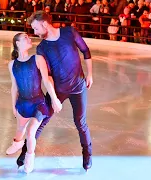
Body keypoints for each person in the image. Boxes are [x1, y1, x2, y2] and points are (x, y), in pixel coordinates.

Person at [16, 10, 93, 171]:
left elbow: (85, 51)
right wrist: (54, 98)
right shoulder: (42, 48)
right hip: (58, 90)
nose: (35, 33)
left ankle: (88, 154)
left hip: (78, 87)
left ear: (44, 24)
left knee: (81, 123)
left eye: (36, 28)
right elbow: (48, 76)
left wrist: (90, 74)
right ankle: (25, 153)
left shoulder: (69, 32)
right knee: (41, 121)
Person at [6, 33, 62, 173]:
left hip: (38, 103)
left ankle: (29, 157)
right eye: (25, 38)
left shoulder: (37, 59)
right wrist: (13, 106)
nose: (29, 39)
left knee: (30, 132)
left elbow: (46, 80)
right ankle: (17, 143)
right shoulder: (12, 64)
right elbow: (14, 87)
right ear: (17, 43)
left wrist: (54, 99)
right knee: (20, 129)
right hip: (22, 103)